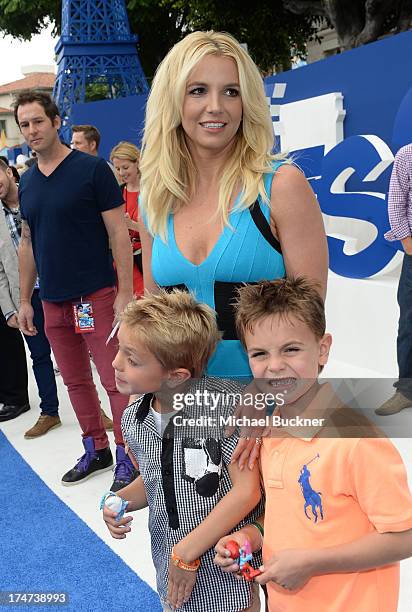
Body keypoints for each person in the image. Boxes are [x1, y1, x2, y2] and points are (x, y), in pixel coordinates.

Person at [138, 30, 328, 381]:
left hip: (269, 406)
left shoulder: (280, 186)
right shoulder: (155, 197)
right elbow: (155, 322)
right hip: (185, 408)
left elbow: (310, 319)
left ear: (247, 103)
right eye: (198, 91)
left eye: (231, 91)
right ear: (173, 102)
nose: (216, 106)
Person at [214, 277, 412, 612]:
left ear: (323, 348)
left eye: (291, 349)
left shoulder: (355, 438)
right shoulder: (271, 428)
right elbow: (291, 518)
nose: (274, 366)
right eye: (260, 353)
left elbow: (405, 536)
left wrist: (313, 563)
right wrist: (250, 536)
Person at [103, 289, 264, 611]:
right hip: (169, 572)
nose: (115, 363)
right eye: (120, 350)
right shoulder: (133, 420)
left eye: (131, 359)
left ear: (176, 377)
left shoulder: (231, 410)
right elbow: (154, 482)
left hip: (228, 574)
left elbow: (247, 492)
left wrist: (186, 552)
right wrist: (119, 500)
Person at [14, 91, 135, 490]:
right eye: (24, 124)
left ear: (55, 121)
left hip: (92, 297)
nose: (31, 130)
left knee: (113, 377)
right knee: (74, 380)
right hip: (53, 301)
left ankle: (128, 455)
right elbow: (28, 242)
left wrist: (123, 292)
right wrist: (24, 299)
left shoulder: (91, 170)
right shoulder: (27, 182)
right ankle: (95, 447)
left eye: (37, 121)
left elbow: (119, 232)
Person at [0, 158, 60, 436]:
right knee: (39, 355)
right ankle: (50, 411)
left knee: (77, 349)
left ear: (8, 172)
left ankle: (97, 409)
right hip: (28, 296)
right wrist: (9, 309)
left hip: (61, 287)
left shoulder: (35, 195)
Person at [377, 143, 412, 415]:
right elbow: (396, 203)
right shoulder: (407, 155)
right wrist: (409, 246)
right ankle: (406, 391)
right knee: (410, 324)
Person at [110, 142, 144, 297]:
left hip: (145, 261)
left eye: (125, 167)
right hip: (123, 262)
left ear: (137, 163)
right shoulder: (117, 192)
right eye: (117, 169)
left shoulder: (150, 191)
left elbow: (161, 230)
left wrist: (132, 225)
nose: (121, 172)